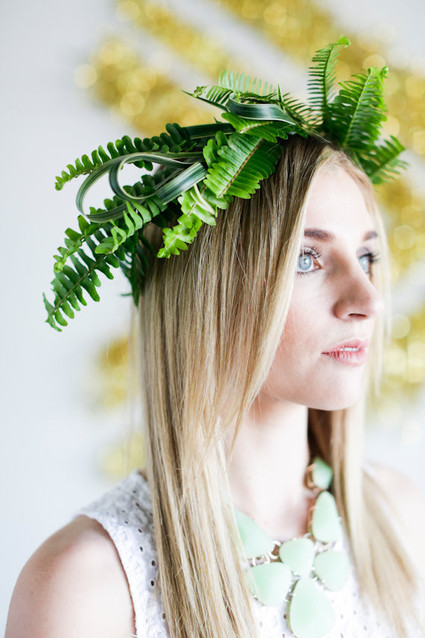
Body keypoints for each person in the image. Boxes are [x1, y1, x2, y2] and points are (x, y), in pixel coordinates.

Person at [5, 38, 425, 638]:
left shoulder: (402, 518)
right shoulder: (86, 588)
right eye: (306, 259)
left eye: (367, 257)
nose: (368, 299)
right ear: (211, 291)